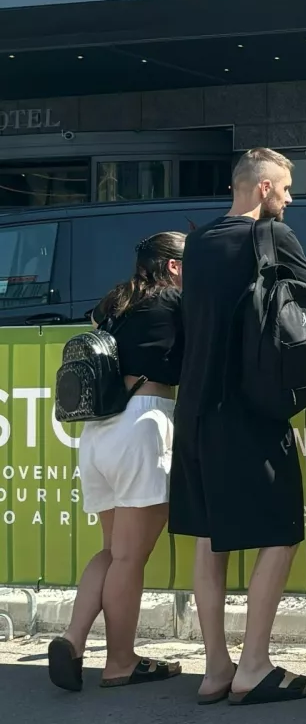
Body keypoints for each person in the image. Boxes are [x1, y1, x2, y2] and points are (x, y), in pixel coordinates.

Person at [169, 147, 306, 706]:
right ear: (265, 187)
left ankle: (215, 669)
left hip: (194, 407)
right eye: (287, 188)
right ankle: (253, 666)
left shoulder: (198, 242)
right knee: (280, 531)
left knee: (210, 538)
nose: (291, 199)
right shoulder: (270, 236)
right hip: (247, 409)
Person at [48, 233, 186, 692]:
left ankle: (73, 638)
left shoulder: (115, 303)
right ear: (172, 266)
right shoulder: (174, 301)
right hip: (143, 425)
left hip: (97, 431)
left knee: (111, 551)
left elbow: (99, 332)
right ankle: (120, 662)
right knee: (129, 557)